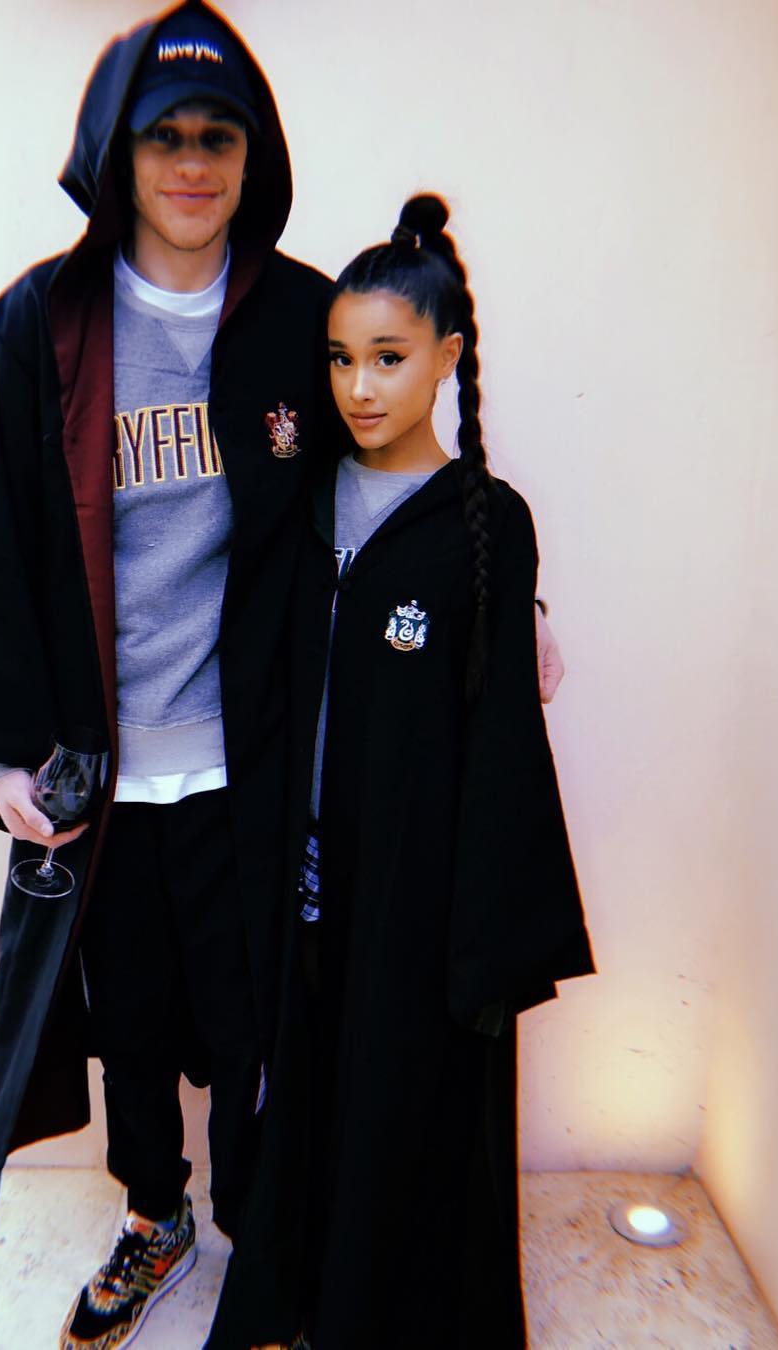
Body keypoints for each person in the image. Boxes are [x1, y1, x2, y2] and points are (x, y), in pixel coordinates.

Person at [0, 4, 565, 1347]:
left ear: (253, 154)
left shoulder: (301, 316)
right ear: (116, 154)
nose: (193, 164)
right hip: (106, 761)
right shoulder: (47, 323)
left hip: (254, 750)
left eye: (220, 137)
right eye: (166, 138)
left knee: (258, 1008)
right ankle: (154, 1215)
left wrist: (510, 597)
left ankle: (265, 1232)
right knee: (134, 1019)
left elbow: (393, 467)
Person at [205, 195, 595, 1350]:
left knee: (400, 1102)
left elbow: (501, 748)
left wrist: (485, 934)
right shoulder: (303, 494)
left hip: (413, 892)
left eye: (388, 356)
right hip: (302, 870)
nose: (361, 387)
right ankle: (297, 1285)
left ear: (446, 357)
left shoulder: (487, 524)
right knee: (308, 1082)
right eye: (340, 359)